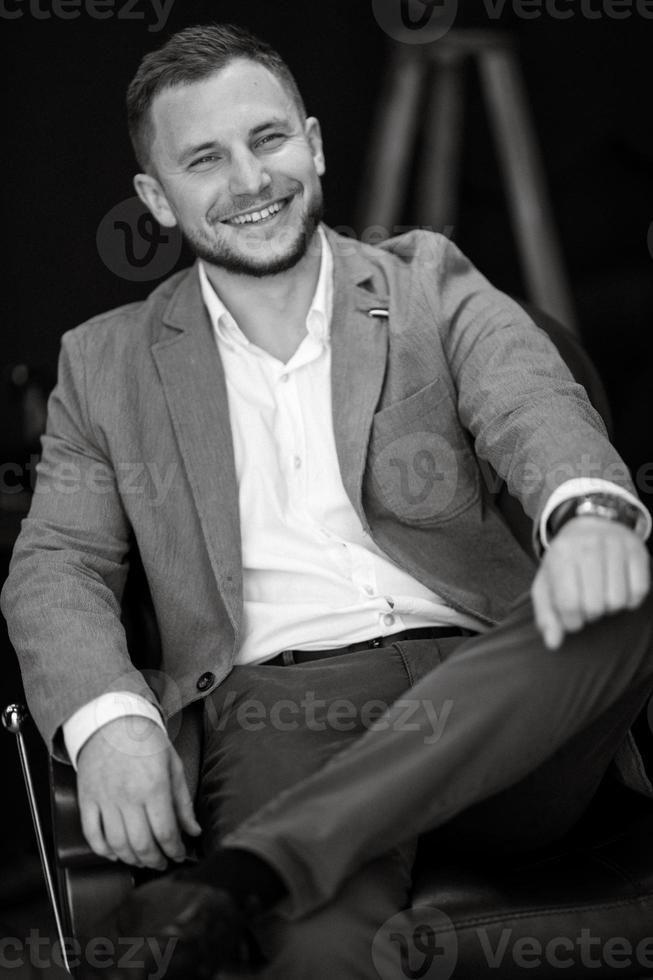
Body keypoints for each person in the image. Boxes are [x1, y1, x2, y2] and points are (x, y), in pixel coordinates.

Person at [3, 21, 653, 980]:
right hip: (280, 715)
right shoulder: (104, 363)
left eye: (268, 140)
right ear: (157, 196)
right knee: (319, 945)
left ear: (311, 142)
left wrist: (589, 516)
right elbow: (58, 562)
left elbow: (530, 402)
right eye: (205, 159)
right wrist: (112, 720)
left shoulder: (429, 280)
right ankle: (281, 867)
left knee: (623, 596)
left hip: (494, 696)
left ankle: (258, 864)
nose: (250, 179)